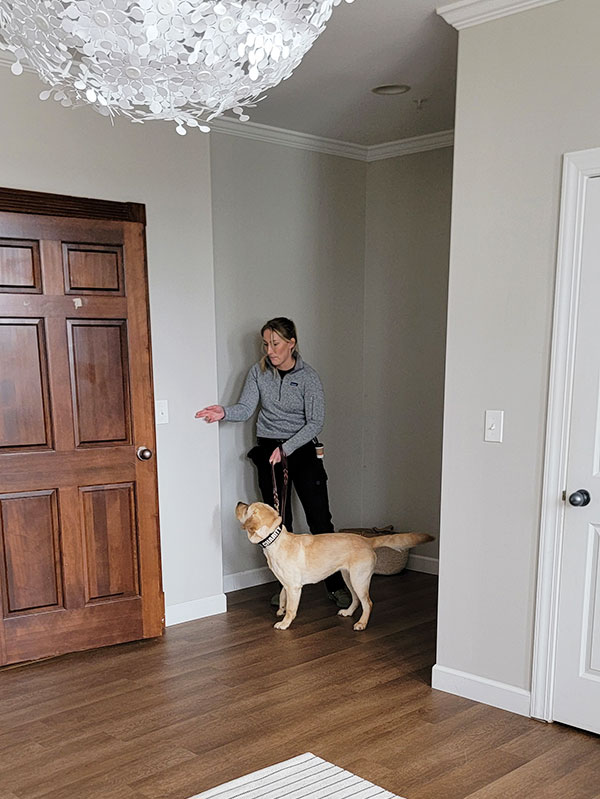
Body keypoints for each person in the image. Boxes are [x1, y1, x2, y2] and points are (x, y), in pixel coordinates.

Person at [195, 317, 351, 609]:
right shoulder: (258, 372)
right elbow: (244, 408)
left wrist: (288, 447)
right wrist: (223, 412)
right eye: (265, 344)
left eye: (275, 344)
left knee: (320, 519)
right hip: (269, 451)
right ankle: (285, 587)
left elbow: (315, 421)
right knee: (279, 522)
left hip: (302, 449)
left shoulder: (309, 378)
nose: (269, 350)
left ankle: (335, 585)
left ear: (291, 343)